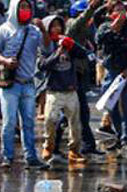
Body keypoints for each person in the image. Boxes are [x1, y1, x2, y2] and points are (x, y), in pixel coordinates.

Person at [0, 0, 49, 170]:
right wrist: (5, 61)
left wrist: (44, 30)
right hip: (10, 84)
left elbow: (47, 47)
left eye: (27, 7)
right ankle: (7, 156)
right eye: (21, 7)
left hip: (28, 83)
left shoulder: (34, 31)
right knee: (9, 122)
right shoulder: (4, 30)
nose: (25, 10)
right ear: (14, 10)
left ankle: (31, 157)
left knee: (29, 122)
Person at [52, 0, 105, 157]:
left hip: (80, 74)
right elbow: (83, 19)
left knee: (82, 112)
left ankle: (88, 144)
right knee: (68, 112)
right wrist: (92, 7)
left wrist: (104, 6)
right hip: (71, 75)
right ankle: (54, 145)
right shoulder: (72, 26)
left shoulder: (82, 33)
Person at [38, 15, 88, 164]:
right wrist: (58, 52)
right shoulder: (45, 46)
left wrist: (72, 45)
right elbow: (43, 65)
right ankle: (49, 146)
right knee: (50, 120)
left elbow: (83, 54)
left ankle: (74, 151)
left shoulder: (68, 43)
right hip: (54, 90)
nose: (57, 29)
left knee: (75, 124)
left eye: (59, 26)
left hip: (71, 90)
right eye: (53, 26)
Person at [95, 0, 127, 154]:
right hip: (111, 70)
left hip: (126, 71)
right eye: (117, 10)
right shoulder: (105, 27)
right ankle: (118, 134)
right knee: (111, 104)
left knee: (126, 105)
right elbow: (99, 41)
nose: (121, 13)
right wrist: (114, 27)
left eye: (123, 10)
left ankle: (126, 137)